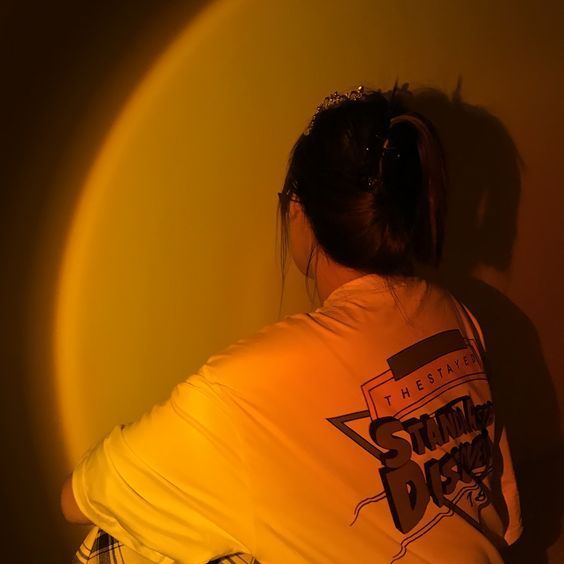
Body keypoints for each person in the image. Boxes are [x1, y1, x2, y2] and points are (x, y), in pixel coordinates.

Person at [61, 83, 523, 563]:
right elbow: (504, 515)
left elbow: (75, 500)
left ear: (298, 212)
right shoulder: (455, 312)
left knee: (114, 543)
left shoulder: (245, 386)